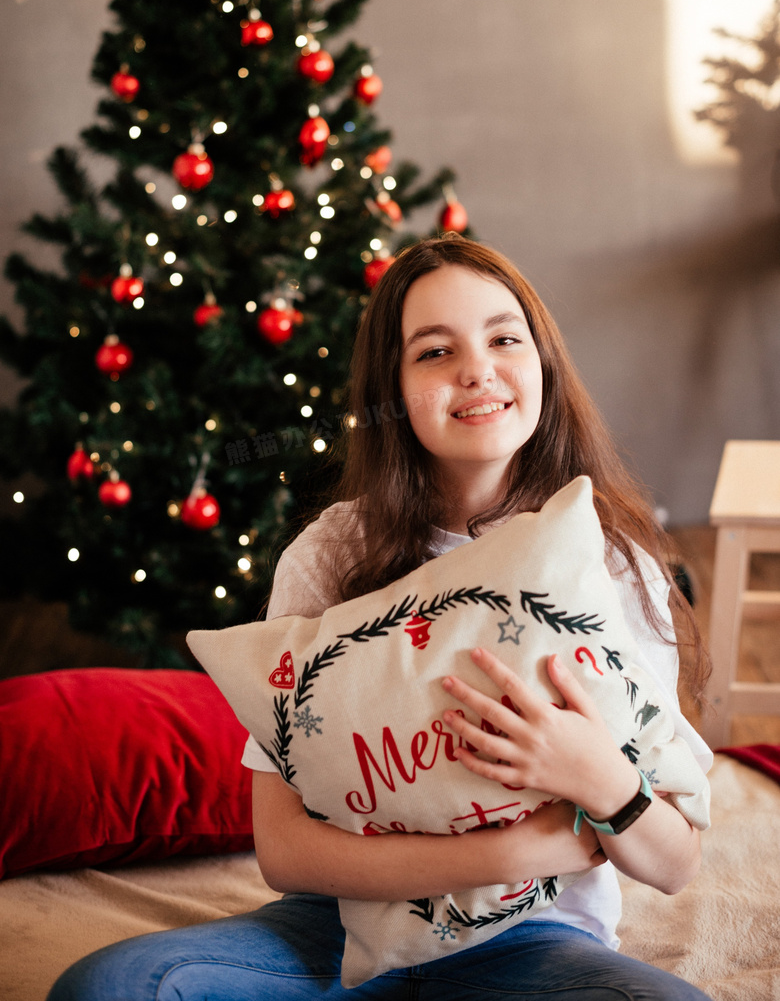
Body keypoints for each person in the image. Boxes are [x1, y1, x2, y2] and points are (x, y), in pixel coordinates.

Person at [49, 235, 714, 1000]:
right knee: (111, 987)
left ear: (544, 365)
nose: (478, 368)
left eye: (505, 337)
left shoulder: (613, 565)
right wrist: (515, 854)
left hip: (534, 946)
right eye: (435, 352)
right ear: (392, 390)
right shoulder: (329, 554)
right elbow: (285, 851)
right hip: (331, 934)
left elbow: (674, 863)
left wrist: (601, 781)